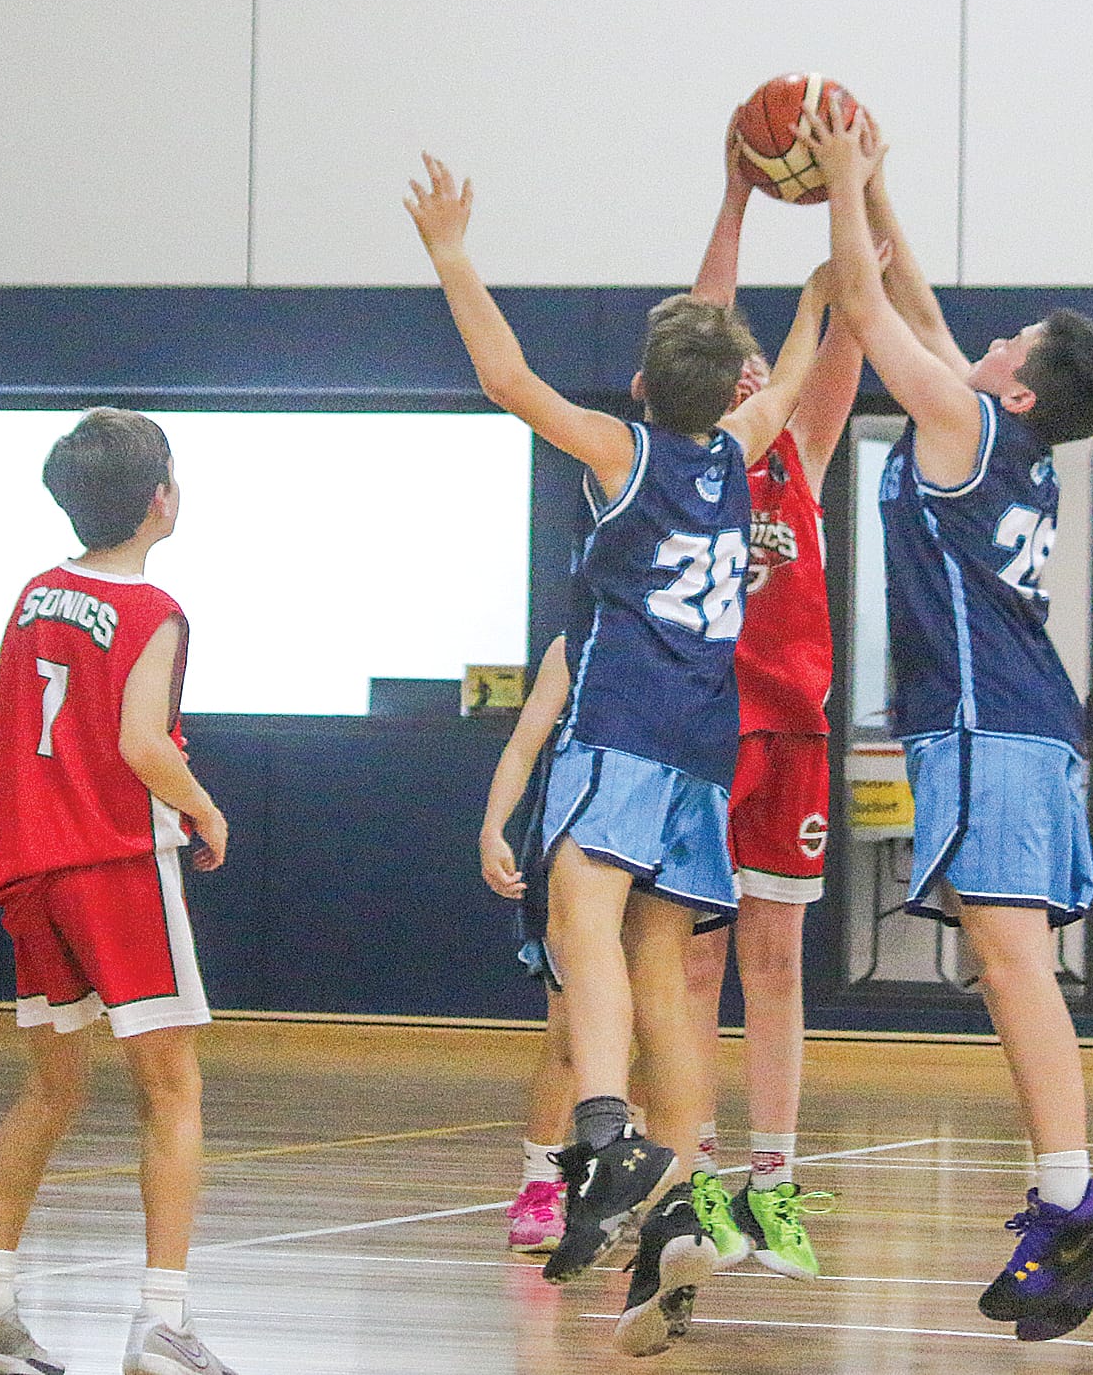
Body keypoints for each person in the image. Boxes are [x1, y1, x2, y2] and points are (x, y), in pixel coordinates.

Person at [406, 153, 831, 1355]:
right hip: (705, 755)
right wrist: (821, 289)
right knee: (665, 973)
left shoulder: (622, 452)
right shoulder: (740, 450)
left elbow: (506, 376)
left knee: (579, 917)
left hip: (623, 731)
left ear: (643, 385)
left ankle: (603, 1127)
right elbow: (793, 375)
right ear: (729, 389)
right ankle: (685, 1203)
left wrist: (451, 253)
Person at [804, 103, 1093, 1344]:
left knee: (1012, 965)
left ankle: (1076, 1197)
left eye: (1012, 341)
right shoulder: (1005, 434)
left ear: (1023, 384)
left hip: (994, 723)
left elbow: (867, 302)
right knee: (1010, 965)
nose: (988, 339)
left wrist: (844, 185)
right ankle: (1069, 1194)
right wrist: (880, 186)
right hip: (1009, 722)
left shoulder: (969, 422)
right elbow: (923, 308)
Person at [0, 409, 236, 1375]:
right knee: (172, 1089)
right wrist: (204, 807)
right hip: (115, 867)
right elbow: (143, 744)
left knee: (52, 1087)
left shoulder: (33, 596)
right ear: (160, 500)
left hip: (30, 872)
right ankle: (163, 1323)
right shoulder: (154, 613)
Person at [680, 122, 876, 1282]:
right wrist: (735, 195)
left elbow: (850, 316)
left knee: (780, 961)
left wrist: (854, 193)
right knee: (696, 966)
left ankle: (774, 1183)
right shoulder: (682, 455)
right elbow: (706, 320)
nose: (752, 369)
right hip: (703, 729)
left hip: (792, 726)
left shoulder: (800, 450)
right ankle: (698, 1179)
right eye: (735, 364)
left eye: (766, 363)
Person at [479, 635, 576, 1254]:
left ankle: (645, 1182)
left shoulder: (694, 633)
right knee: (568, 1031)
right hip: (570, 849)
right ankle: (540, 1185)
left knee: (657, 1027)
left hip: (661, 854)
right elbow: (522, 745)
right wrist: (493, 828)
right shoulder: (573, 647)